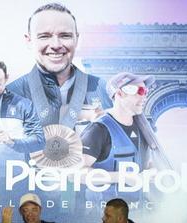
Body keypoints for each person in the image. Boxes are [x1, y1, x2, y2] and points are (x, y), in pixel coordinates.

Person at [7, 3, 111, 132]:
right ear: (29, 40)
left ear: (76, 39)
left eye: (65, 35)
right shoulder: (10, 97)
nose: (55, 45)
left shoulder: (103, 90)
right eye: (44, 36)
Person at [80, 72, 166, 204]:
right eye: (140, 91)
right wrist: (122, 177)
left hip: (138, 213)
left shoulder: (143, 131)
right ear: (119, 94)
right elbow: (78, 174)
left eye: (145, 91)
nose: (144, 96)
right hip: (103, 215)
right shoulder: (98, 129)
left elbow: (148, 164)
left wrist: (151, 172)